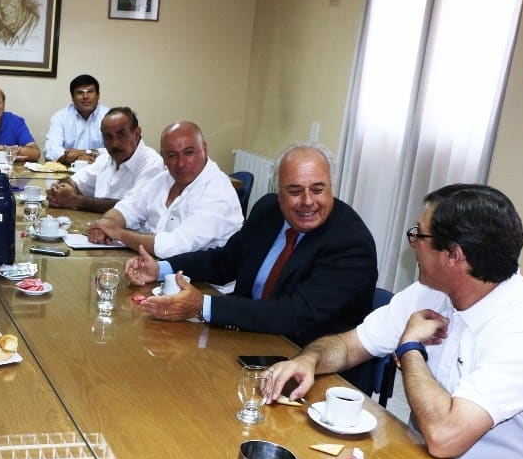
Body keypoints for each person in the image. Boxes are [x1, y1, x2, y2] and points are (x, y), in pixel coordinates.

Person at [267, 184, 523, 459]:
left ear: (453, 255)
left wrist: (409, 348)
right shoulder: (430, 292)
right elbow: (348, 345)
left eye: (420, 235)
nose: (412, 243)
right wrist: (310, 360)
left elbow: (444, 436)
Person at [125, 142, 378, 388]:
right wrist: (161, 268)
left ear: (331, 187)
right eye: (294, 190)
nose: (308, 201)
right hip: (247, 343)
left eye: (318, 189)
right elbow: (225, 261)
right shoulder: (269, 210)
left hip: (312, 369)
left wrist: (202, 306)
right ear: (278, 191)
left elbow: (294, 315)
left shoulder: (351, 243)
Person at [87, 122, 242, 258]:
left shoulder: (218, 192)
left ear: (205, 149)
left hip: (204, 284)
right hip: (155, 269)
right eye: (172, 155)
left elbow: (175, 247)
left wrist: (118, 233)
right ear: (164, 158)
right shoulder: (163, 179)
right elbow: (128, 207)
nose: (181, 163)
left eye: (188, 153)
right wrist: (105, 225)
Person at [46, 107, 163, 214]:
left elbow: (133, 207)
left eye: (121, 134)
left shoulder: (152, 164)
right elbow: (75, 181)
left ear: (137, 133)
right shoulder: (105, 159)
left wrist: (76, 201)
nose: (115, 143)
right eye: (108, 137)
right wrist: (59, 191)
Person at [43, 74, 110, 164]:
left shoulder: (109, 117)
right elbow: (50, 149)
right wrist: (77, 158)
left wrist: (84, 152)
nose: (85, 96)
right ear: (72, 97)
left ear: (98, 96)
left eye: (90, 91)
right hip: (68, 170)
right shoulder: (61, 117)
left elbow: (117, 149)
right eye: (80, 92)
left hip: (102, 171)